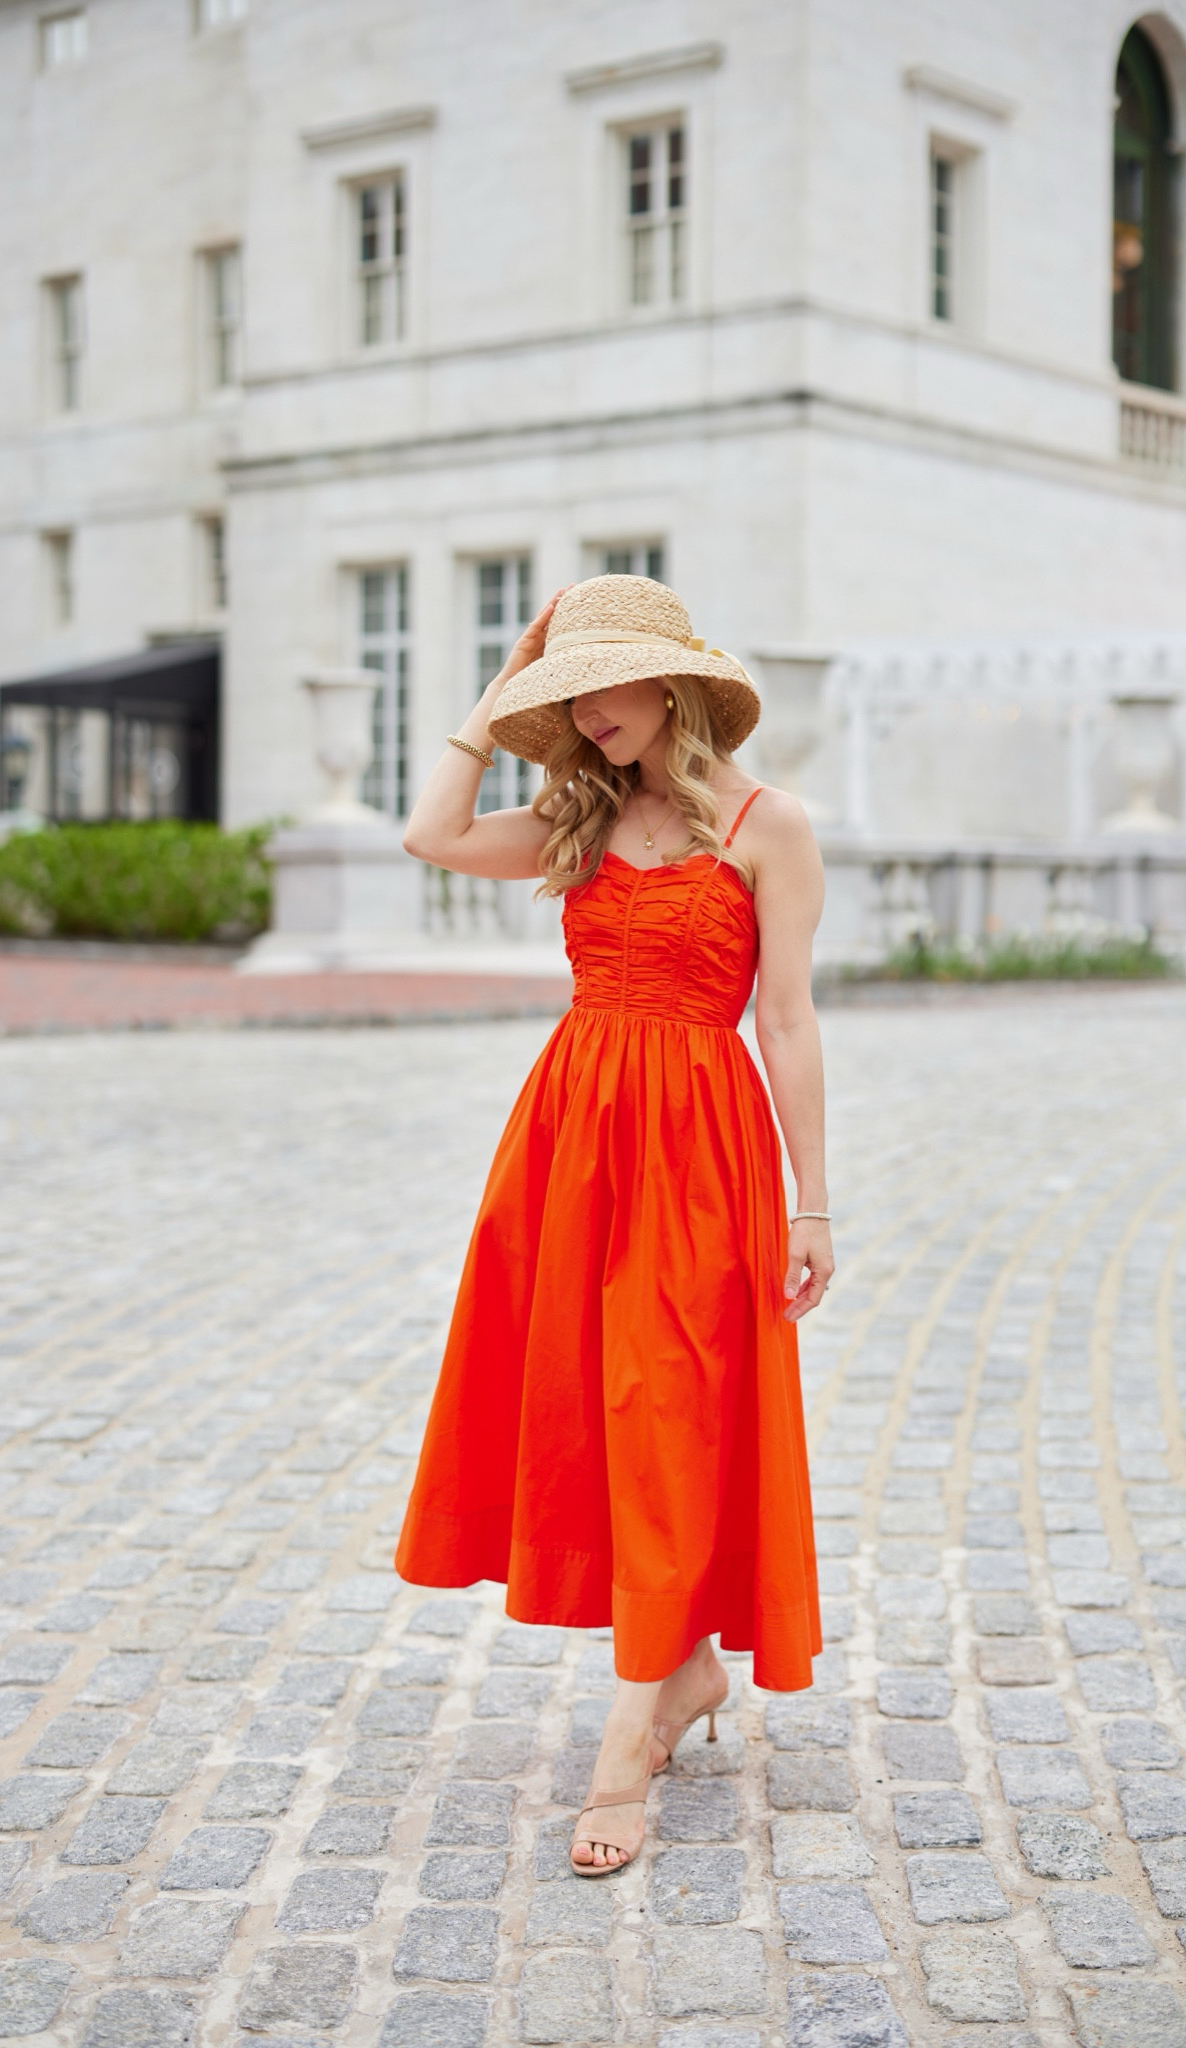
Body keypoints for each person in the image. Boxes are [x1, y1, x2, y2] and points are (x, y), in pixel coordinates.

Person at [394, 574, 832, 1875]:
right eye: (567, 694)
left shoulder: (768, 824)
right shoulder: (574, 821)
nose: (588, 714)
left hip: (699, 1150)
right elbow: (430, 834)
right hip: (571, 1143)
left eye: (604, 687)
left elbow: (788, 1019)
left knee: (668, 1406)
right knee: (596, 1410)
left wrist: (813, 1201)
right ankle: (682, 1669)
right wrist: (497, 698)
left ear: (673, 684)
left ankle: (627, 1735)